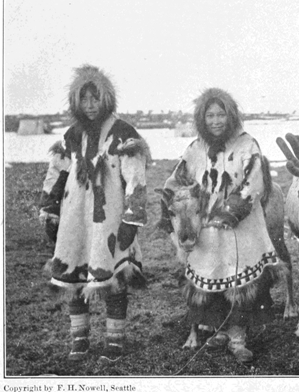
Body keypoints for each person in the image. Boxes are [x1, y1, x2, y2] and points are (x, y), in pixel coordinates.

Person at [162, 87, 282, 364]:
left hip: (240, 225)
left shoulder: (246, 143)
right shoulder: (195, 148)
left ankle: (238, 337)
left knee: (240, 278)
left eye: (221, 115)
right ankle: (219, 330)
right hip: (207, 227)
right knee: (212, 275)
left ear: (231, 116)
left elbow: (255, 179)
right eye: (210, 116)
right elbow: (176, 180)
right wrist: (174, 203)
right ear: (201, 119)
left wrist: (233, 209)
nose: (216, 121)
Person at [39, 65, 150, 362]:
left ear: (107, 99)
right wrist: (49, 209)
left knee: (113, 275)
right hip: (75, 218)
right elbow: (57, 173)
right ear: (76, 101)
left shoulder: (123, 133)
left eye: (95, 98)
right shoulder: (72, 135)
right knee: (74, 274)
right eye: (84, 99)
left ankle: (115, 341)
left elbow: (136, 178)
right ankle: (80, 339)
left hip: (110, 221)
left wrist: (132, 218)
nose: (90, 105)